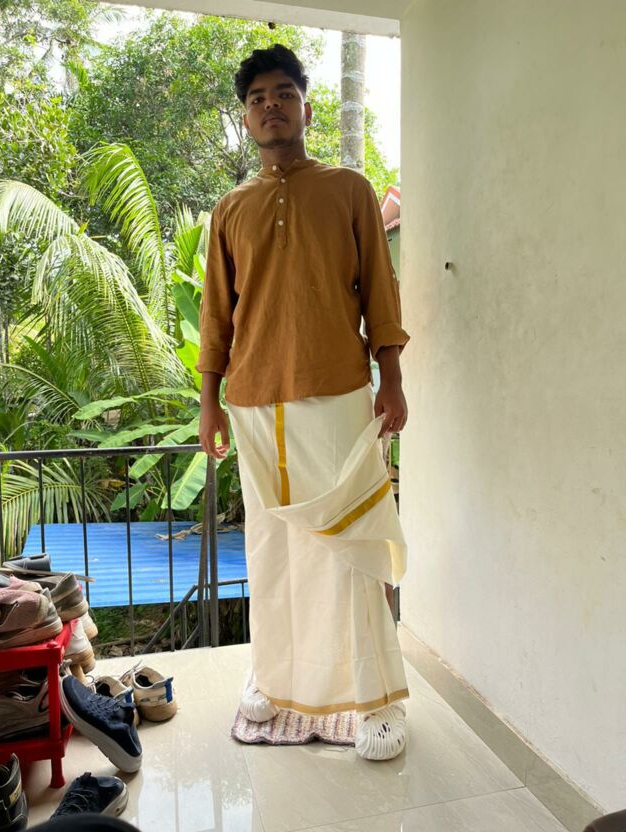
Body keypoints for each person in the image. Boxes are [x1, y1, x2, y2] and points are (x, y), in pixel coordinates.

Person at [198, 44, 410, 760]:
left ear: (307, 109)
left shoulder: (349, 190)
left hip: (339, 392)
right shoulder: (230, 210)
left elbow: (380, 292)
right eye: (257, 98)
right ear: (246, 118)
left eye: (283, 93)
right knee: (272, 548)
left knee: (351, 542)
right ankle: (274, 677)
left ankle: (376, 697)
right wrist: (209, 402)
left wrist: (392, 378)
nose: (271, 106)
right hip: (255, 402)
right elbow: (216, 317)